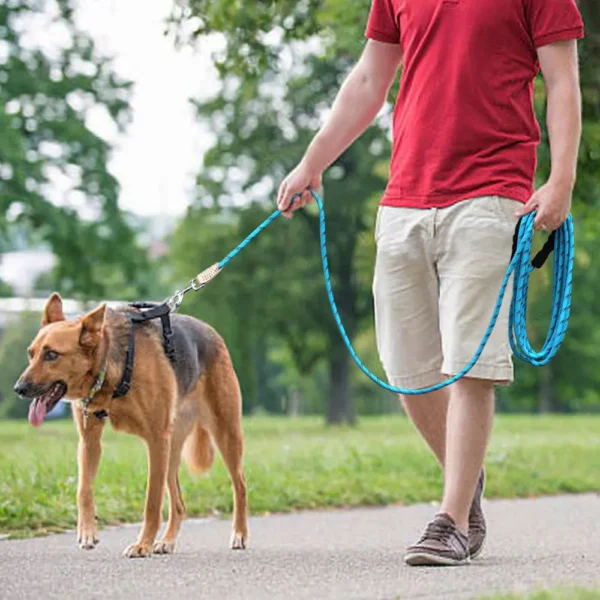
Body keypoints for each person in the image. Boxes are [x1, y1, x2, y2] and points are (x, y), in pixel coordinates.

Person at [277, 0, 583, 566]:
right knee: (407, 369)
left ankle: (452, 519)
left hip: (493, 194)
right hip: (404, 199)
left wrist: (560, 180)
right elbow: (370, 78)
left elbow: (563, 80)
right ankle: (466, 486)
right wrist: (312, 161)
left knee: (469, 362)